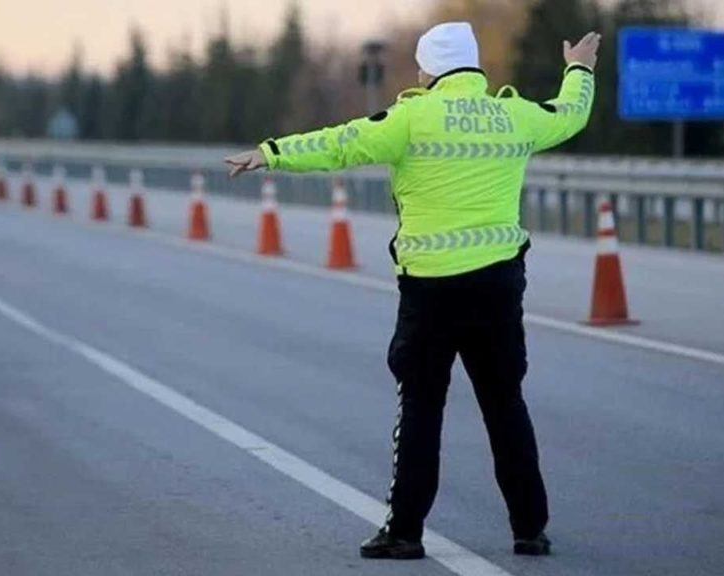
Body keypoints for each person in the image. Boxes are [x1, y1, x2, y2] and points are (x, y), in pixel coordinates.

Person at [225, 22, 599, 560]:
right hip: (497, 286)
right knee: (504, 404)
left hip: (431, 290)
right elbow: (570, 114)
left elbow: (340, 143)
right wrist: (579, 69)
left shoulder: (411, 118)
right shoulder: (513, 114)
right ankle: (529, 528)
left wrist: (272, 153)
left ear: (430, 70)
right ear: (471, 65)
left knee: (422, 408)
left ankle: (404, 532)